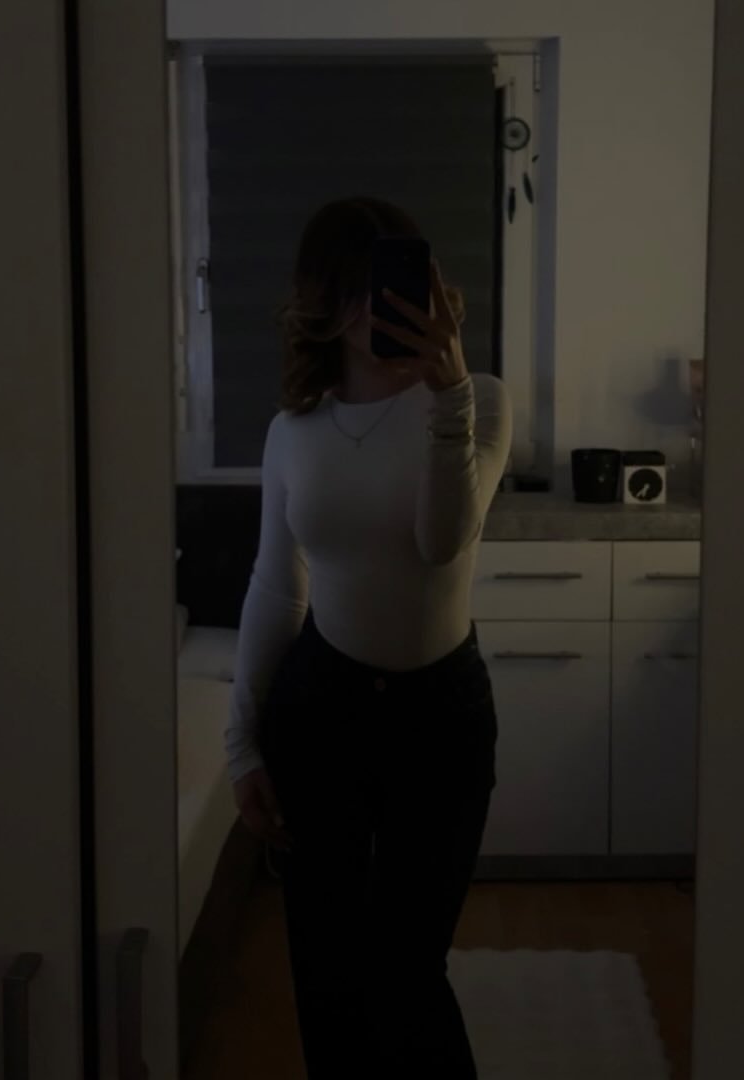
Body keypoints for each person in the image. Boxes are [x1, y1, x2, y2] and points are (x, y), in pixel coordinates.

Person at [225, 196, 513, 1079]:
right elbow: (276, 587)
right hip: (322, 707)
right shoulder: (292, 430)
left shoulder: (480, 401)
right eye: (351, 285)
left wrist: (448, 397)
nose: (370, 304)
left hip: (441, 716)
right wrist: (241, 743)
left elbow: (441, 544)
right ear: (322, 296)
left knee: (407, 973)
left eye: (386, 281)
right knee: (325, 975)